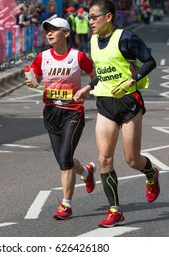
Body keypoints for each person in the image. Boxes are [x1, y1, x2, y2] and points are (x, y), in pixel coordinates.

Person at [74, 0, 159, 227]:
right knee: (104, 158)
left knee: (132, 160)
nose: (89, 21)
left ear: (108, 17)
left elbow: (150, 62)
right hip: (106, 103)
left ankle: (151, 173)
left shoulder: (126, 38)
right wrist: (87, 87)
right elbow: (102, 72)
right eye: (88, 17)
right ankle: (115, 209)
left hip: (129, 103)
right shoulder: (92, 41)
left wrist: (133, 80)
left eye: (93, 17)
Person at [25, 17, 96, 220]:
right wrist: (32, 82)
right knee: (63, 160)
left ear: (66, 33)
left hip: (73, 112)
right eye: (47, 30)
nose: (49, 33)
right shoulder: (42, 57)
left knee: (65, 159)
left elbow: (95, 76)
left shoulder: (78, 57)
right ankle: (86, 173)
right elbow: (35, 79)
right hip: (51, 113)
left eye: (54, 29)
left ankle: (66, 205)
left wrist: (86, 90)